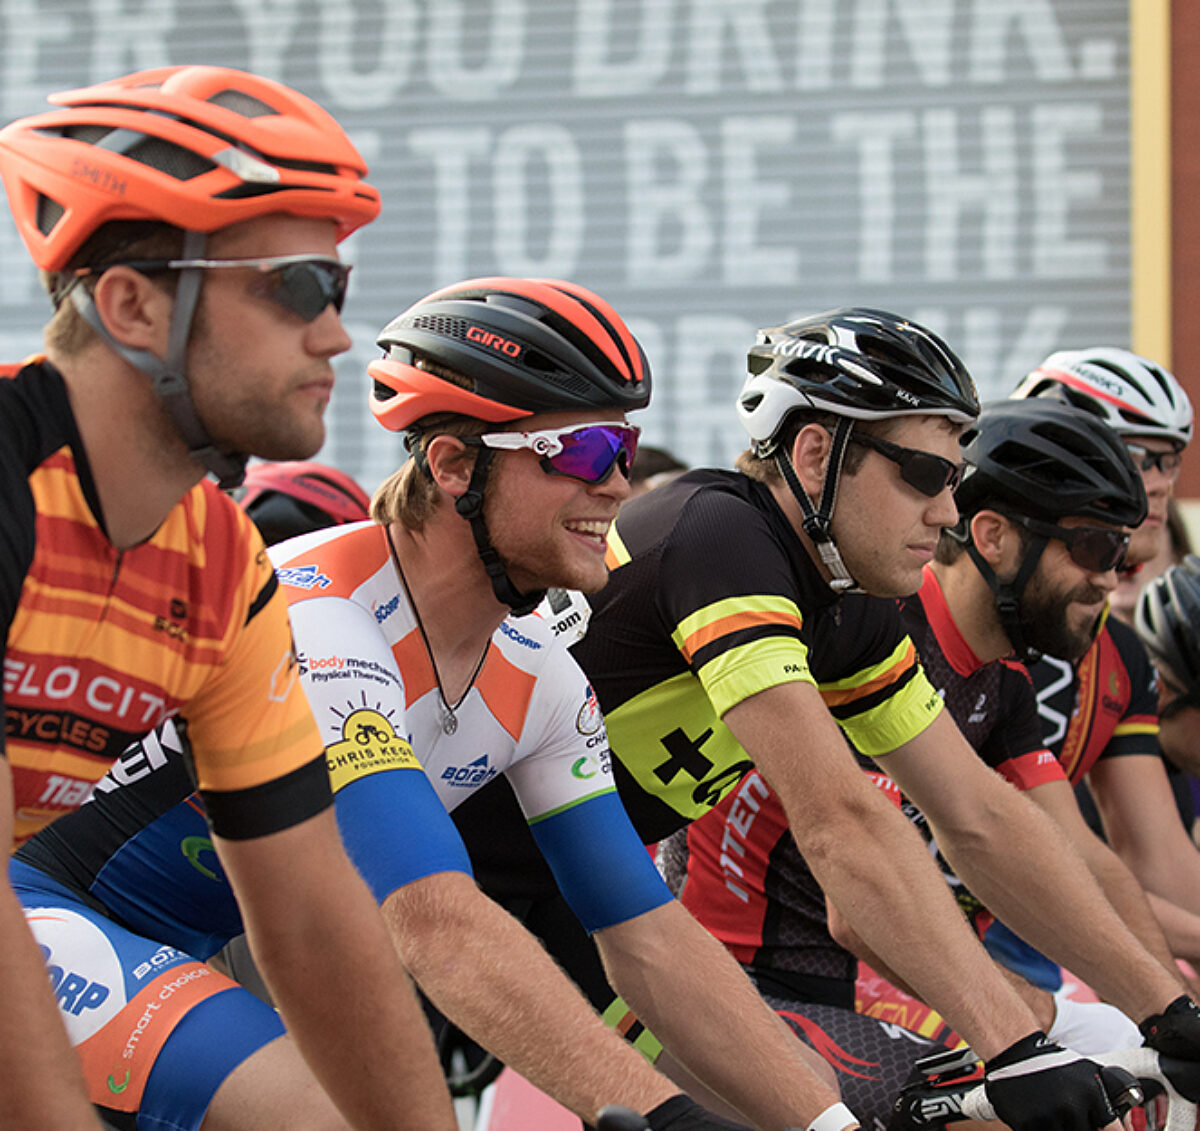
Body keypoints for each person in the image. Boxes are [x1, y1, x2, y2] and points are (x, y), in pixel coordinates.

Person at [13, 277, 850, 1131]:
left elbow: (645, 932)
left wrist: (828, 1123)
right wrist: (666, 1114)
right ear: (453, 464)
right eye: (585, 449)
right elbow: (435, 921)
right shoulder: (323, 619)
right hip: (43, 910)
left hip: (191, 951)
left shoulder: (541, 676)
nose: (618, 483)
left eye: (627, 447)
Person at [447, 307, 1200, 1131]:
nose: (947, 511)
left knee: (807, 1101)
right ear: (815, 453)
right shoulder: (721, 533)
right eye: (923, 473)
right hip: (450, 888)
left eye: (955, 479)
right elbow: (841, 820)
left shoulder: (852, 605)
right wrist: (1015, 1044)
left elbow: (976, 815)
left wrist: (1163, 1010)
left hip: (582, 908)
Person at [0, 66, 458, 1131]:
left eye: (337, 292)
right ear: (132, 304)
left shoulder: (221, 563)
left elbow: (307, 918)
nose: (338, 335)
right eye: (297, 288)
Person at [659, 397, 1166, 1122]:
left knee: (1123, 1084)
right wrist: (1039, 1024)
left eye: (1122, 553)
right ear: (992, 537)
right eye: (1093, 549)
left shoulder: (1004, 678)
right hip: (749, 977)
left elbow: (1072, 853)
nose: (1112, 576)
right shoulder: (887, 629)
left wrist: (1168, 1012)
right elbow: (856, 908)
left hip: (858, 974)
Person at [989, 350, 1200, 983]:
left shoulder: (1120, 651)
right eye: (1140, 457)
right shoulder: (968, 622)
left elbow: (1156, 859)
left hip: (1041, 968)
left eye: (1172, 459)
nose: (1162, 482)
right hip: (924, 957)